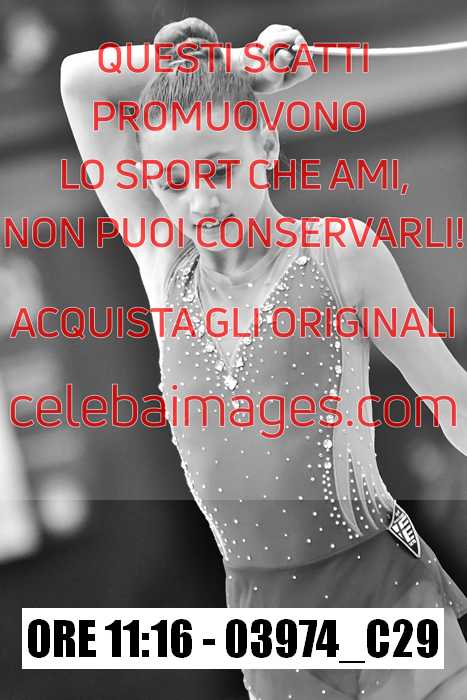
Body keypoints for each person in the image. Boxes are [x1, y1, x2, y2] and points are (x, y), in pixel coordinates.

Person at [61, 17, 467, 699]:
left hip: (384, 590)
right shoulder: (165, 268)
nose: (201, 200)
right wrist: (238, 63)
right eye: (172, 182)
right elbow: (78, 82)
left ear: (267, 142)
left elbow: (452, 398)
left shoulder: (340, 255)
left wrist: (232, 72)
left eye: (220, 169)